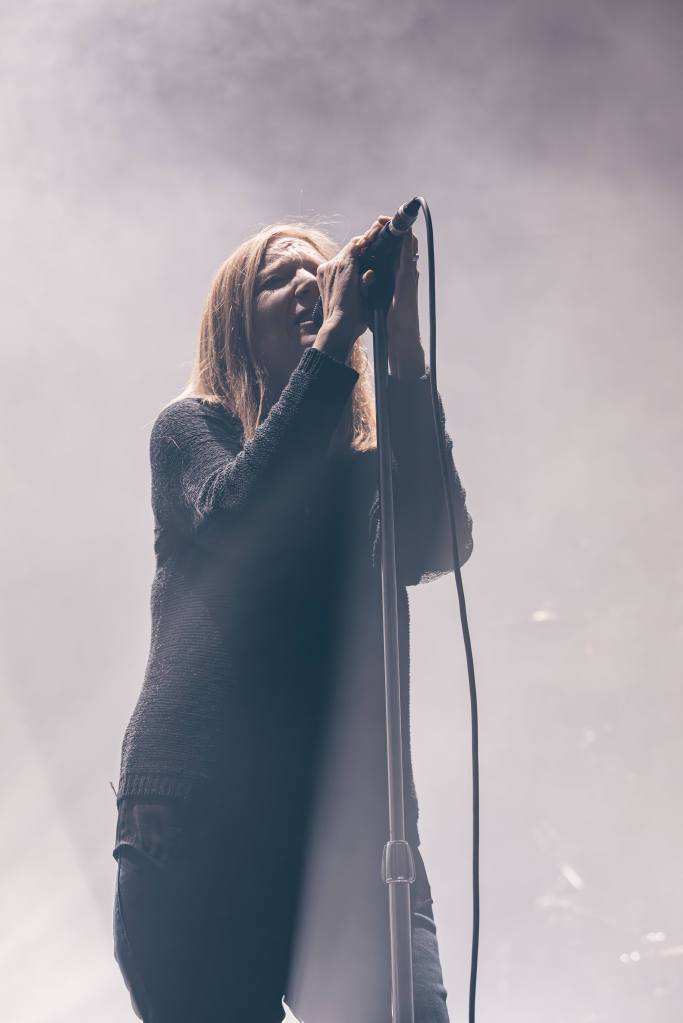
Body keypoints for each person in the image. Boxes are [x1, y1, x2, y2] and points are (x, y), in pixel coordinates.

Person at [112, 214, 473, 1022]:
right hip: (206, 824)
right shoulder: (190, 432)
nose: (310, 283)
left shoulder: (359, 471)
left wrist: (402, 341)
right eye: (280, 276)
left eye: (322, 271)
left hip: (356, 830)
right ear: (234, 320)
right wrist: (336, 332)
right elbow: (244, 510)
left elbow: (435, 538)